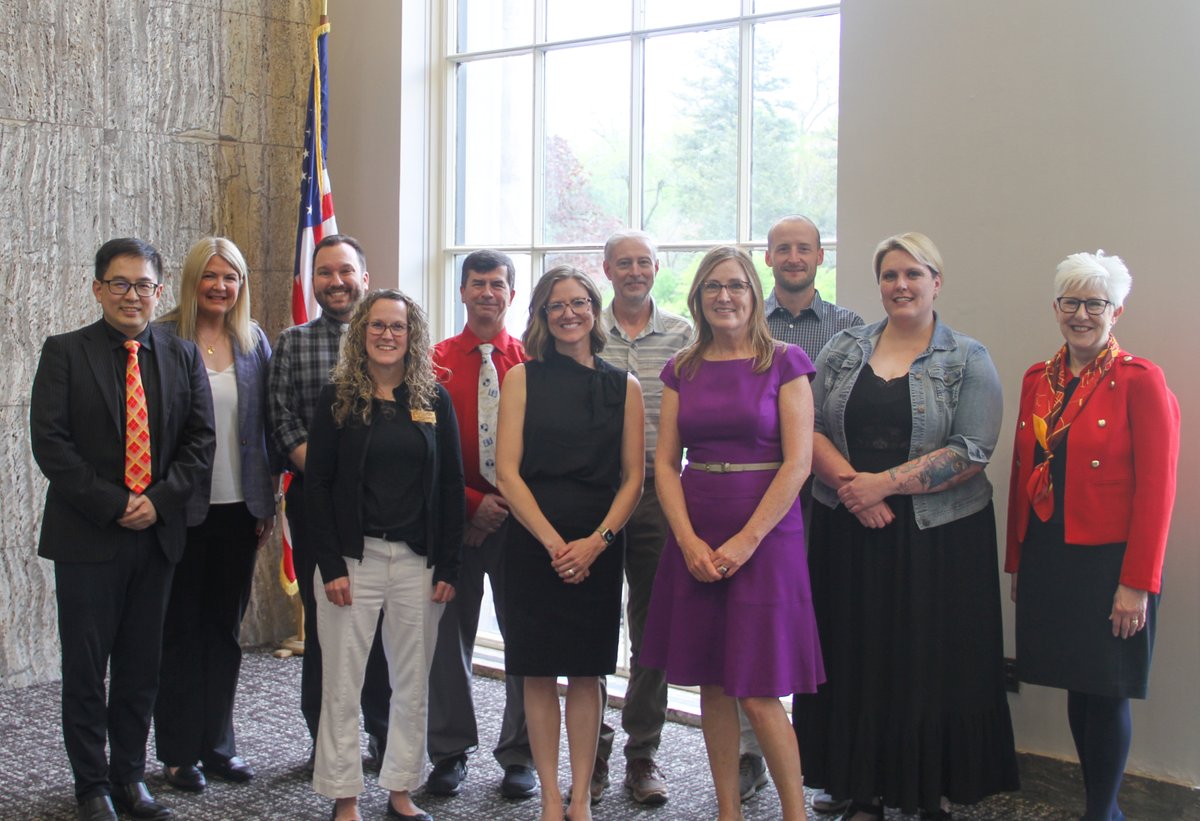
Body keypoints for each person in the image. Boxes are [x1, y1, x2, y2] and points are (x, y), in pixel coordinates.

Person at [792, 232, 1018, 820]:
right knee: (854, 657)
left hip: (936, 537)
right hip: (848, 529)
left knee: (926, 664)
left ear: (936, 282)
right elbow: (807, 426)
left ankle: (926, 791)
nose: (901, 286)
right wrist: (854, 488)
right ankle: (860, 788)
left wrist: (883, 484)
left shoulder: (967, 357)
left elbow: (972, 450)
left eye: (913, 275)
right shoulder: (844, 347)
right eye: (890, 275)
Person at [30, 238, 215, 821]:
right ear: (97, 289)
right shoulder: (64, 352)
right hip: (88, 536)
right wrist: (117, 503)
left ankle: (130, 778)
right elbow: (51, 445)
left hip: (156, 537)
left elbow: (199, 441)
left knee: (141, 665)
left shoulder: (182, 355)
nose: (132, 295)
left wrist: (156, 502)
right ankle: (92, 785)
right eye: (120, 284)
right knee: (87, 669)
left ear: (159, 291)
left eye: (143, 285)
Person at [640, 246, 822, 821]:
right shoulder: (682, 369)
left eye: (737, 285)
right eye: (714, 286)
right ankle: (727, 811)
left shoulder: (786, 362)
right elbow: (666, 463)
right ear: (697, 298)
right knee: (713, 682)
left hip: (766, 535)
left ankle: (794, 812)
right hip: (696, 526)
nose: (725, 296)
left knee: (759, 687)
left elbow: (798, 464)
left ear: (754, 295)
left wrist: (745, 542)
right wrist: (689, 541)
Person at [1005, 251, 1179, 821]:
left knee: (1106, 691)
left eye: (1095, 304)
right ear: (1056, 308)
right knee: (1076, 686)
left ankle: (1102, 812)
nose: (1082, 314)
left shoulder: (1140, 380)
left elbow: (1158, 492)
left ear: (1116, 311)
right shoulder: (1038, 380)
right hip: (1054, 556)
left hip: (1111, 564)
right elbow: (1019, 477)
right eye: (1072, 302)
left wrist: (1137, 585)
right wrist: (1019, 563)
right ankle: (1098, 807)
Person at [305, 290, 465, 821]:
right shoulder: (339, 398)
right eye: (377, 325)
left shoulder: (433, 399)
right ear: (362, 332)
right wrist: (330, 565)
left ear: (412, 334)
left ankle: (400, 789)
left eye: (398, 326)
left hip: (418, 564)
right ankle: (344, 794)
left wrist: (449, 566)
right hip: (353, 561)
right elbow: (318, 486)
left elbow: (450, 487)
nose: (388, 335)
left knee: (411, 682)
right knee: (343, 683)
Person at [495, 266, 645, 821]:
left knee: (588, 671)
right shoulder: (521, 379)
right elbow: (507, 475)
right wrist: (558, 545)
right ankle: (551, 799)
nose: (568, 313)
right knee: (537, 670)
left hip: (598, 545)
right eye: (555, 305)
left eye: (578, 302)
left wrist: (595, 544)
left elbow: (633, 478)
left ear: (594, 309)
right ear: (540, 314)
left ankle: (581, 798)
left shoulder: (621, 386)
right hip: (536, 541)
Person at [740, 215, 863, 809]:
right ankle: (747, 759)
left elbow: (857, 416)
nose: (793, 257)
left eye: (804, 248)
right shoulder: (743, 320)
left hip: (830, 499)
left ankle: (828, 763)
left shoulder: (851, 328)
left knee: (825, 626)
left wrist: (844, 479)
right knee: (752, 628)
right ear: (767, 258)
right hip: (759, 498)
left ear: (820, 256)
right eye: (782, 248)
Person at [154, 238, 278, 793]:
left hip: (239, 509)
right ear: (192, 279)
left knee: (224, 633)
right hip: (181, 510)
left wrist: (268, 501)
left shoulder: (252, 343)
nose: (222, 286)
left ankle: (218, 745)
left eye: (232, 277)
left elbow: (268, 431)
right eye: (212, 275)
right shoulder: (160, 338)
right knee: (180, 632)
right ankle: (179, 753)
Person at [267, 234, 392, 769]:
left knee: (385, 630)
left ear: (365, 277)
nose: (335, 282)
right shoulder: (293, 342)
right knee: (326, 627)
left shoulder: (394, 336)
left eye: (345, 272)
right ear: (312, 280)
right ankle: (325, 742)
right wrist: (325, 473)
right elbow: (280, 415)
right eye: (324, 272)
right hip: (316, 504)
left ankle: (386, 735)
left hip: (387, 510)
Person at [426, 250, 535, 800]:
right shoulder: (434, 362)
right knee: (448, 639)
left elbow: (546, 450)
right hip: (454, 520)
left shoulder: (533, 361)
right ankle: (448, 751)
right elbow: (425, 454)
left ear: (511, 294)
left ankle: (520, 753)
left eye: (498, 284)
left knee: (526, 641)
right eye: (477, 284)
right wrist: (472, 506)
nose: (488, 293)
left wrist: (504, 506)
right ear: (463, 292)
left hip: (522, 523)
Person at [593, 230, 693, 806]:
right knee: (592, 621)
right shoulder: (585, 329)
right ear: (606, 269)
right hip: (597, 497)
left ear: (657, 268)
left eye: (643, 262)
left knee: (652, 625)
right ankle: (595, 748)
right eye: (623, 263)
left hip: (659, 493)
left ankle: (642, 753)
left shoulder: (684, 335)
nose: (634, 271)